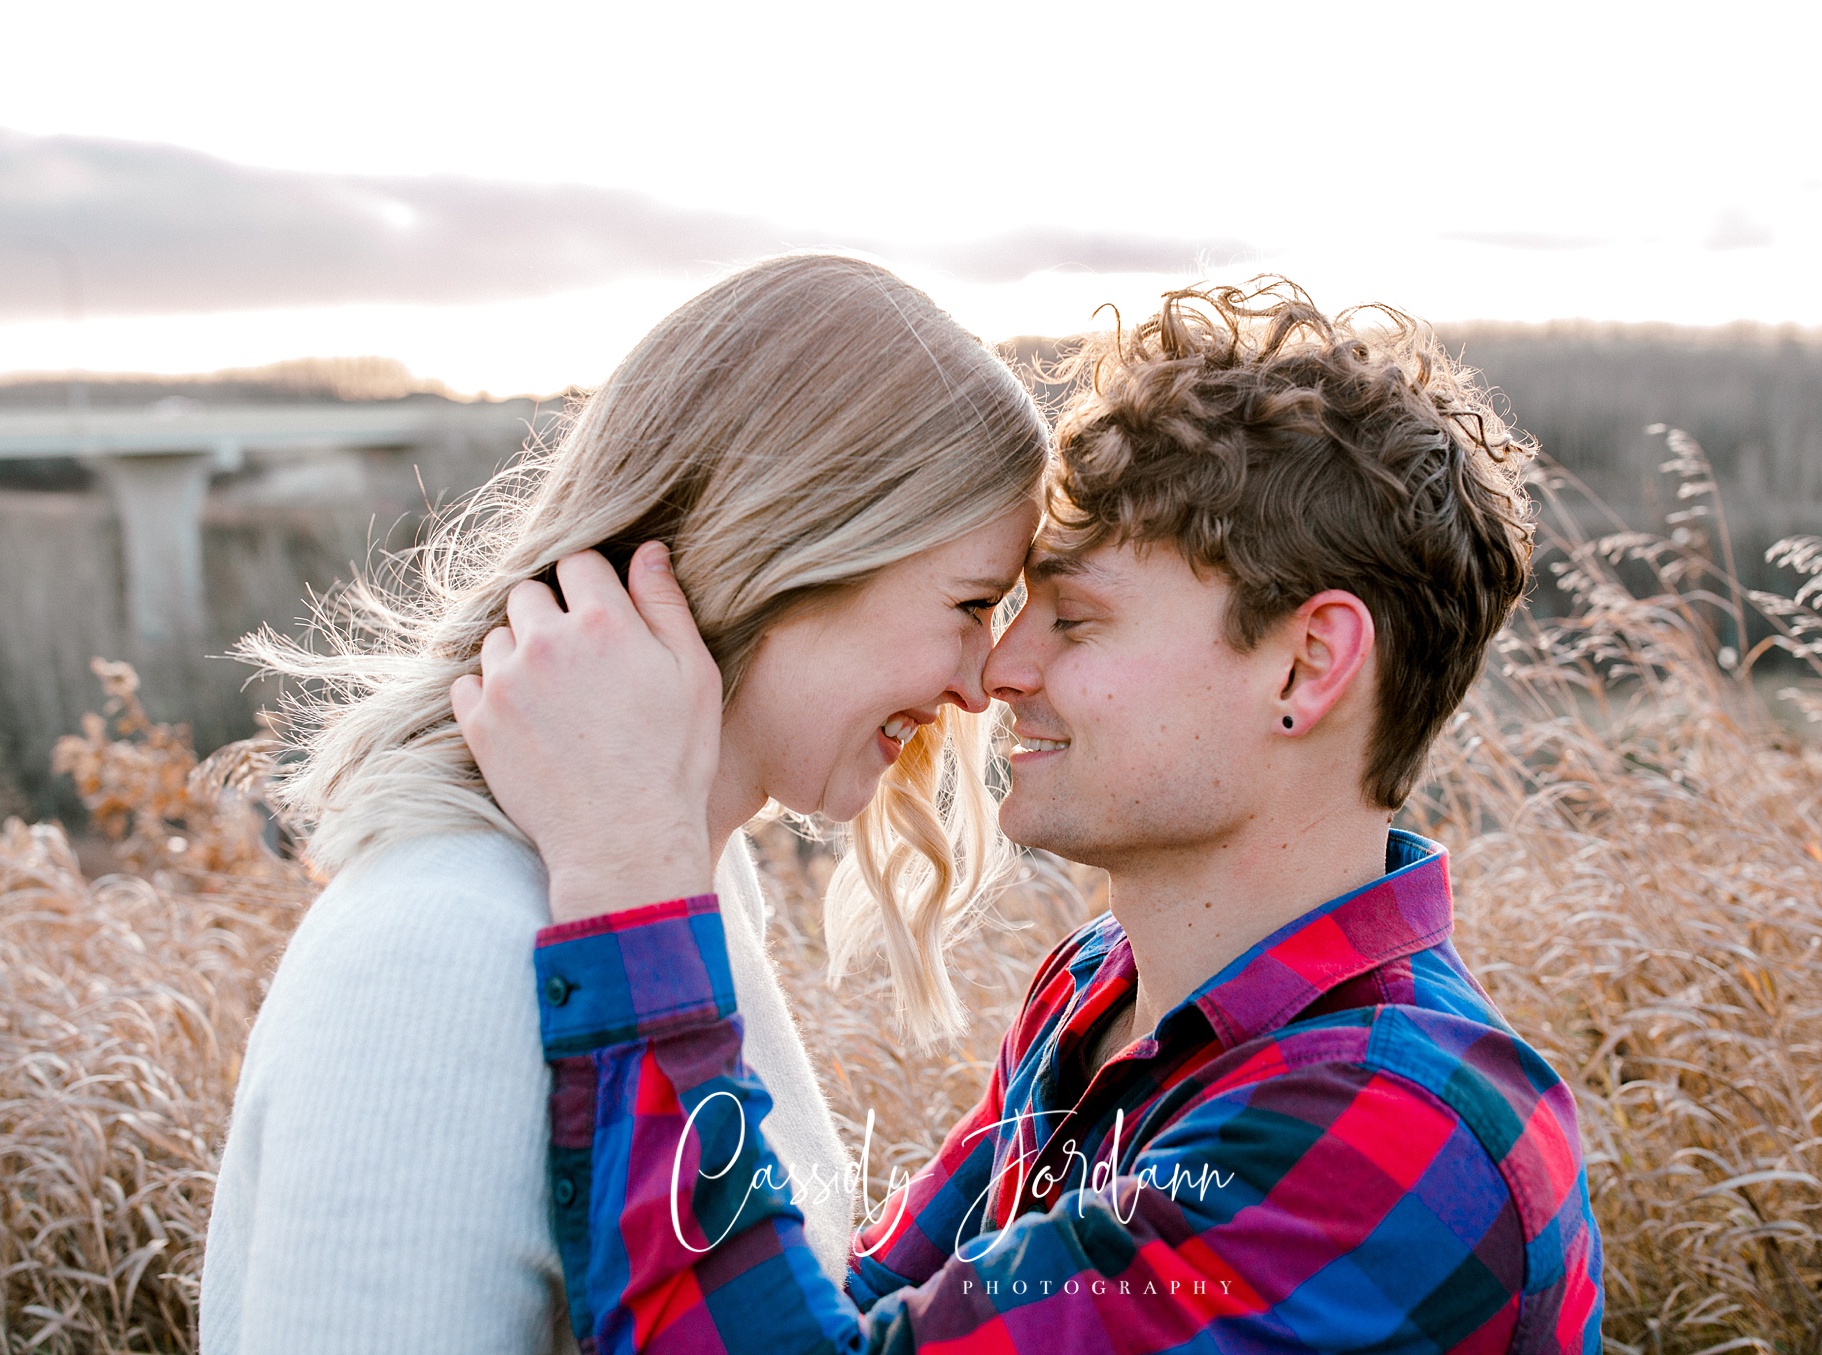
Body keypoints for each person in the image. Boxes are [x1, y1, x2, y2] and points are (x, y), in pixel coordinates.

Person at [459, 280, 1605, 1352]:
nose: (996, 669)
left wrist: (634, 879)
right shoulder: (1098, 992)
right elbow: (867, 1308)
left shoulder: (1383, 1134)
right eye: (1006, 608)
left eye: (1079, 619)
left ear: (1306, 665)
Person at [200, 254, 1052, 1354]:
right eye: (970, 602)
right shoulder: (441, 941)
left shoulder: (672, 868)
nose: (979, 682)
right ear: (793, 543)